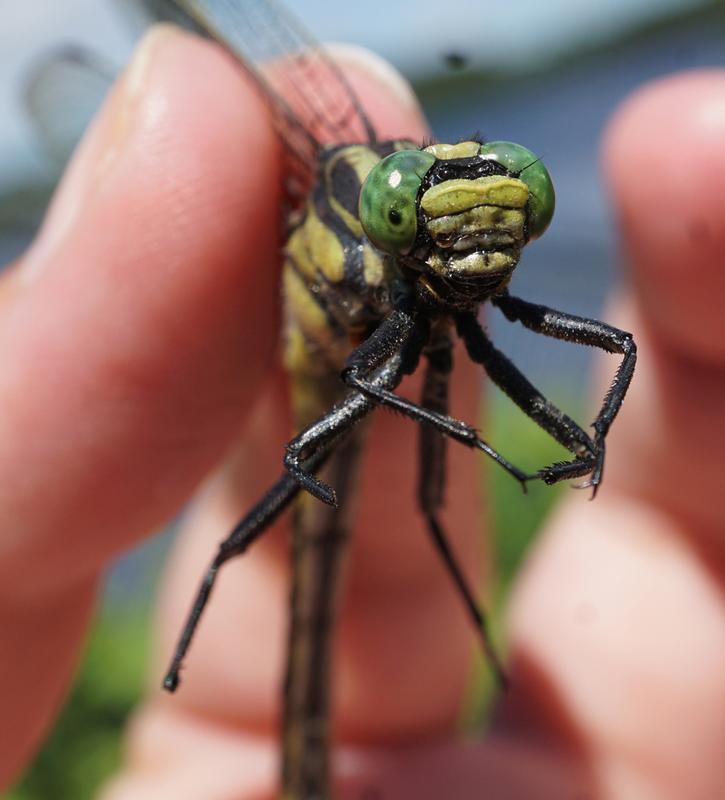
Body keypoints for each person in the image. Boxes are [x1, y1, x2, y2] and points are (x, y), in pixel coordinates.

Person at [1, 26, 723, 800]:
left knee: (432, 496)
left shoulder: (435, 274)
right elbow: (363, 380)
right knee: (301, 485)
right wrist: (459, 431)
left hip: (388, 352)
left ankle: (472, 619)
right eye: (423, 219)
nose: (478, 238)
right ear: (386, 221)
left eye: (519, 206)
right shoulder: (377, 280)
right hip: (344, 368)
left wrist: (591, 439)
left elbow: (602, 351)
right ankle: (190, 646)